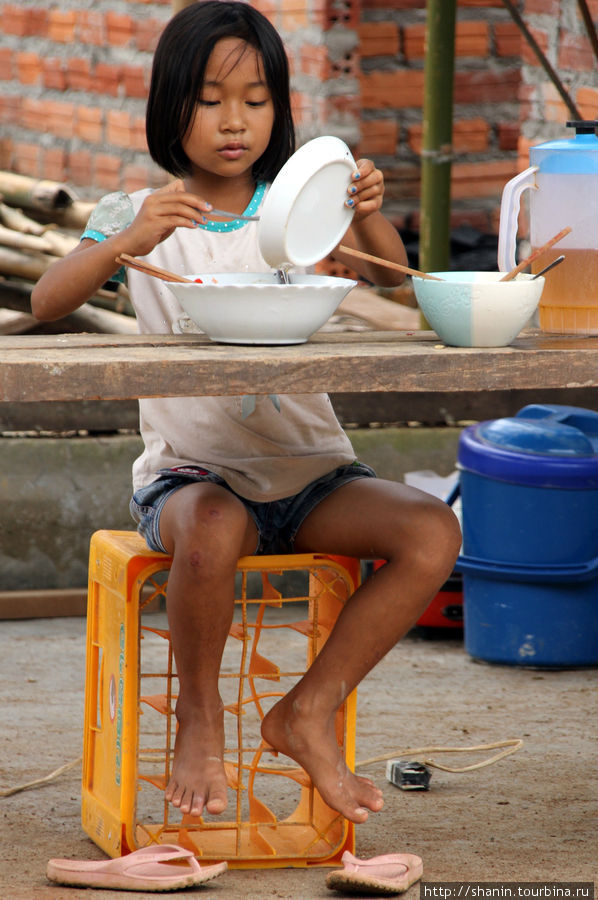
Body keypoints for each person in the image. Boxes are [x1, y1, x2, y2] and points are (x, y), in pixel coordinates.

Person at [32, 0, 461, 826]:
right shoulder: (142, 215)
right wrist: (120, 243)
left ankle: (308, 709)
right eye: (211, 99)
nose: (235, 122)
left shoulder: (299, 208)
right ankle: (200, 717)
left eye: (256, 101)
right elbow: (49, 301)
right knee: (216, 524)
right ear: (170, 107)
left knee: (432, 533)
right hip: (191, 484)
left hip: (311, 476)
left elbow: (397, 284)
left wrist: (367, 205)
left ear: (280, 109)